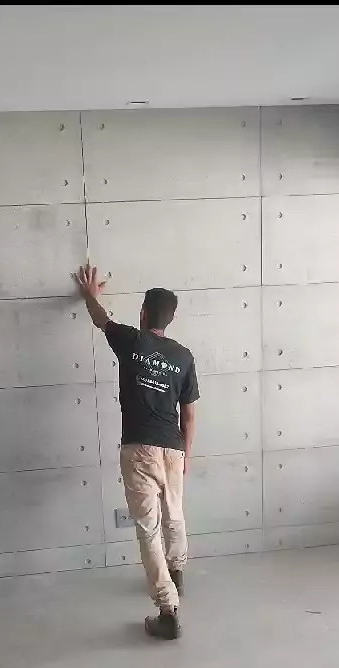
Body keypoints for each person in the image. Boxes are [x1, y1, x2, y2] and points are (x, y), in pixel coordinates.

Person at [76, 264, 199, 640]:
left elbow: (101, 320)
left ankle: (167, 610)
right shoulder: (183, 356)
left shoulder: (132, 340)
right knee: (174, 515)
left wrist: (89, 295)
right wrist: (186, 455)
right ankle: (176, 571)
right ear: (170, 319)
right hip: (173, 448)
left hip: (139, 447)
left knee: (149, 528)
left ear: (143, 314)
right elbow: (189, 413)